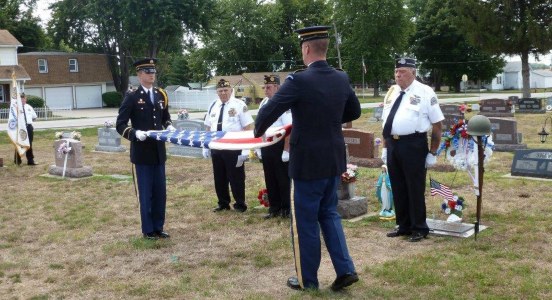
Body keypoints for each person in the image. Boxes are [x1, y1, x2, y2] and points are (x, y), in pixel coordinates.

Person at [254, 26, 360, 291]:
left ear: (306, 49)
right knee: (329, 214)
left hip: (307, 163)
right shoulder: (341, 77)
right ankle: (345, 269)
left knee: (305, 221)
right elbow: (354, 111)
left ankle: (308, 280)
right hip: (333, 159)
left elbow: (272, 108)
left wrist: (257, 132)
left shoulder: (299, 80)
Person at [380, 57, 444, 242]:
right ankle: (404, 225)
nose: (398, 75)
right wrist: (385, 148)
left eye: (402, 72)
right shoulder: (392, 91)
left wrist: (432, 152)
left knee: (414, 186)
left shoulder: (425, 92)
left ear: (413, 73)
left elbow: (437, 125)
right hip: (393, 144)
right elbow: (387, 121)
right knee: (397, 185)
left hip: (413, 145)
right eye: (396, 72)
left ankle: (419, 227)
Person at [116, 58, 176, 240]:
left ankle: (158, 226)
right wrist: (135, 134)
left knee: (160, 192)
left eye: (153, 72)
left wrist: (169, 126)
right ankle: (148, 230)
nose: (152, 75)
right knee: (146, 193)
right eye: (148, 72)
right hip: (142, 153)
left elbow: (165, 117)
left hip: (159, 152)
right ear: (139, 74)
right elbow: (120, 124)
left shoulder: (161, 95)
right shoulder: (132, 96)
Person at [204, 78, 254, 213]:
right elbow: (208, 126)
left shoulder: (239, 104)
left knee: (236, 176)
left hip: (233, 147)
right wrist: (206, 145)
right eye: (220, 91)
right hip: (217, 147)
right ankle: (223, 203)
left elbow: (248, 127)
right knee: (219, 176)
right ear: (217, 92)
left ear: (231, 91)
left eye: (226, 90)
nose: (223, 93)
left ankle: (240, 204)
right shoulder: (213, 105)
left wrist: (246, 148)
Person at [256, 74, 292, 219]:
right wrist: (259, 147)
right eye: (264, 87)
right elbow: (260, 126)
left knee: (283, 179)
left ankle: (286, 208)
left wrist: (286, 150)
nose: (265, 90)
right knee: (270, 178)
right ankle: (274, 208)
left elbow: (289, 128)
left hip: (279, 145)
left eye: (269, 87)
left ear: (277, 87)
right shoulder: (263, 103)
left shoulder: (284, 103)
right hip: (266, 145)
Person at [14, 93, 38, 165]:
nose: (22, 100)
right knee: (20, 144)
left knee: (29, 144)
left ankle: (30, 161)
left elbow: (34, 117)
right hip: (21, 128)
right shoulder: (16, 108)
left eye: (24, 98)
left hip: (29, 127)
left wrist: (29, 122)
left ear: (26, 99)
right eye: (21, 99)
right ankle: (17, 160)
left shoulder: (29, 107)